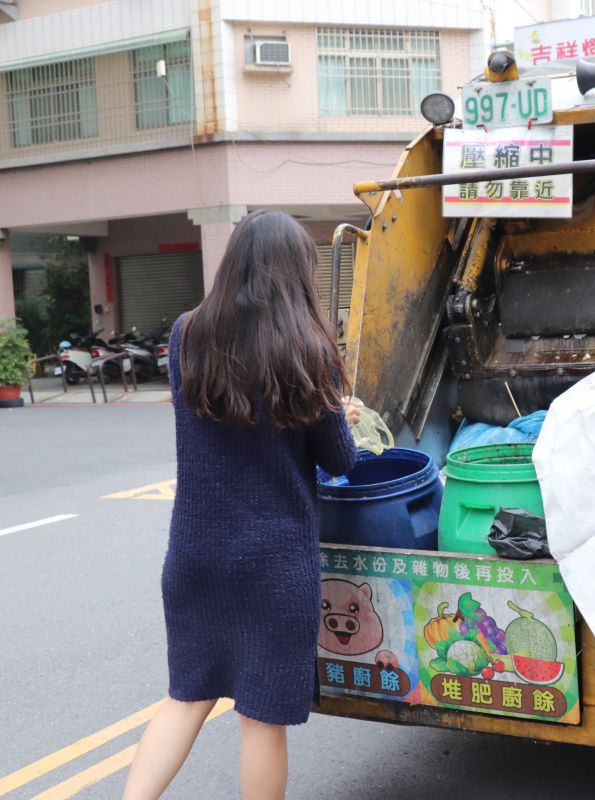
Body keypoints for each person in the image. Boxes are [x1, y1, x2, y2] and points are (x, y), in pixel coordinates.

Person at [123, 211, 358, 800]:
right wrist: (342, 414)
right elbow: (340, 460)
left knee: (186, 698)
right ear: (298, 271)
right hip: (274, 564)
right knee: (262, 720)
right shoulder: (308, 347)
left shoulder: (187, 333)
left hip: (195, 554)